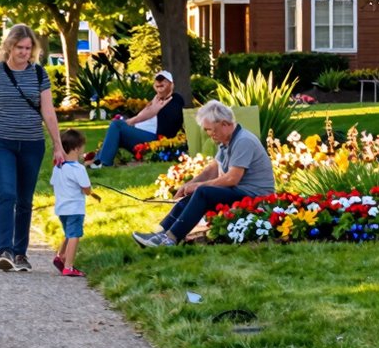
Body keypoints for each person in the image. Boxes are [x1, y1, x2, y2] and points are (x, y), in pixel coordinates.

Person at [0, 24, 66, 272]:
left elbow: (48, 111)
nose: (24, 52)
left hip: (32, 143)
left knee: (24, 199)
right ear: (9, 47)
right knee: (7, 194)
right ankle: (5, 251)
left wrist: (58, 146)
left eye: (28, 48)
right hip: (1, 141)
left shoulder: (38, 74)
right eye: (20, 47)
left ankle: (21, 253)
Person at [132, 101, 275, 247]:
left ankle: (170, 239)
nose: (209, 134)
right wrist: (188, 185)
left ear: (225, 124)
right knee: (193, 194)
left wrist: (197, 186)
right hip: (241, 191)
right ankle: (159, 233)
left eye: (211, 130)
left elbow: (232, 178)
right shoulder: (227, 140)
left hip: (256, 197)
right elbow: (212, 169)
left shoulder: (243, 141)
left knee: (202, 192)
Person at [90, 70, 184, 169]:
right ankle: (97, 161)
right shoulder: (156, 99)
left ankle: (104, 163)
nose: (159, 82)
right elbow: (146, 113)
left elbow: (159, 117)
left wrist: (132, 121)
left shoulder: (175, 99)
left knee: (117, 125)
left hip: (156, 141)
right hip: (143, 137)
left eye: (163, 81)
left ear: (172, 85)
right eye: (157, 81)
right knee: (117, 131)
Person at [51, 129, 100, 277]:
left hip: (61, 209)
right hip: (75, 209)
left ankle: (60, 256)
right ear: (77, 148)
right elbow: (86, 189)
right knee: (74, 236)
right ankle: (69, 266)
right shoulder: (79, 169)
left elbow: (55, 184)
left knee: (68, 233)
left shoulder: (58, 167)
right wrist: (91, 192)